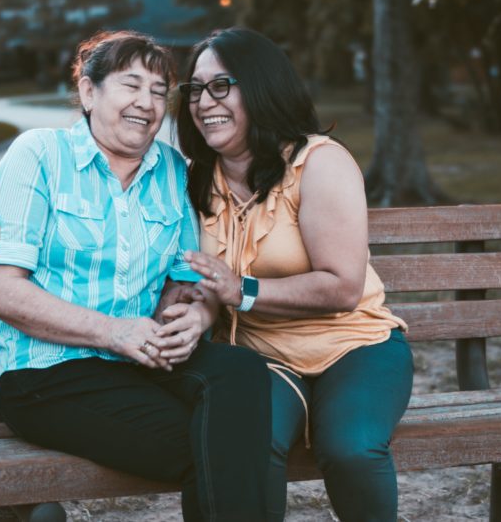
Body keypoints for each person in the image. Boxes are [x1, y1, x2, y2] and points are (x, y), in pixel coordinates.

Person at [0, 31, 271, 521]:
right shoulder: (40, 155)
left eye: (157, 90)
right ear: (88, 92)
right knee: (217, 446)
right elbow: (1, 289)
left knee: (243, 373)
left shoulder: (170, 169)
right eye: (130, 85)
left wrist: (190, 314)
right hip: (46, 373)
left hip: (137, 360)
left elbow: (182, 278)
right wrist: (113, 331)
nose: (146, 103)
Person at [175, 27, 414, 522]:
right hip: (259, 358)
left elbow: (343, 285)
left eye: (221, 85)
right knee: (244, 447)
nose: (203, 101)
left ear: (261, 87)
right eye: (195, 88)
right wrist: (196, 313)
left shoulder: (318, 163)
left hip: (354, 347)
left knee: (351, 448)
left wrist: (240, 290)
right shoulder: (194, 177)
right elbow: (198, 280)